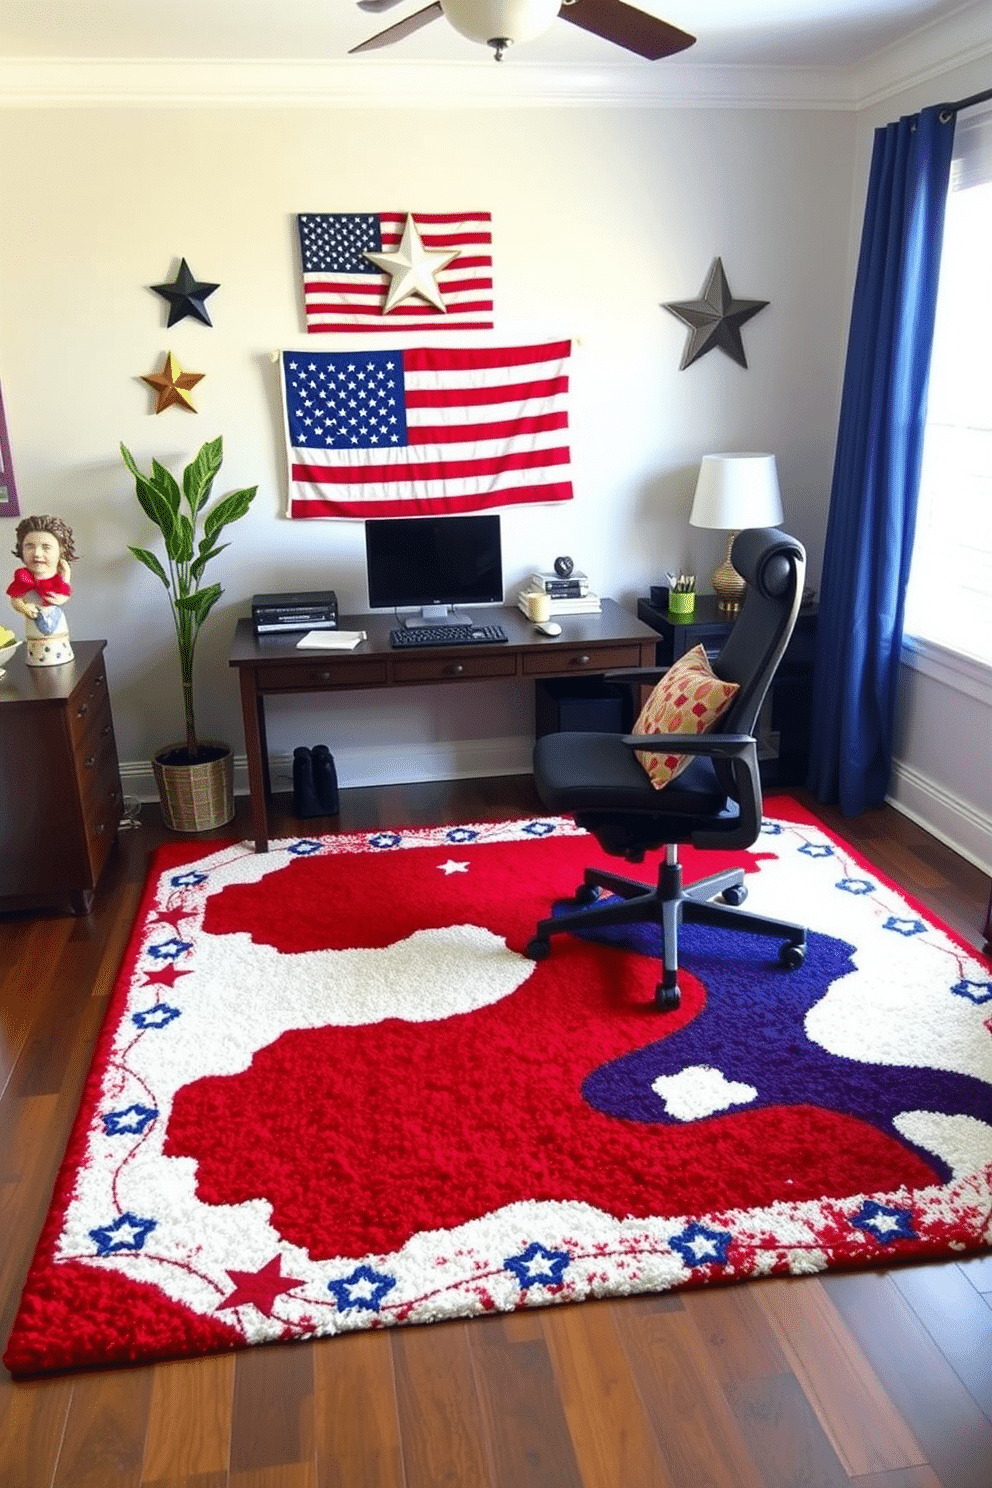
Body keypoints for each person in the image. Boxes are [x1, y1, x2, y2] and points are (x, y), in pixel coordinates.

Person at [7, 514, 76, 665]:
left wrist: (66, 576)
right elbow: (15, 600)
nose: (37, 554)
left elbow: (63, 592)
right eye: (29, 546)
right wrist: (24, 608)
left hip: (60, 640)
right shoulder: (23, 580)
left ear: (61, 551)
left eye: (46, 547)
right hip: (35, 636)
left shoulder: (57, 579)